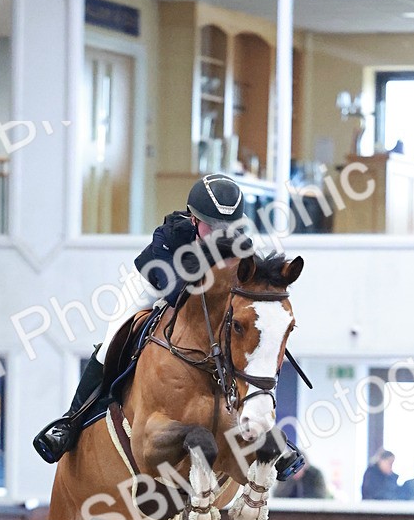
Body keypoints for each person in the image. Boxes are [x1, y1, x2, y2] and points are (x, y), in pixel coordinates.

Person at [32, 174, 303, 481]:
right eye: (211, 226)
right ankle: (70, 422)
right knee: (110, 344)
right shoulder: (170, 236)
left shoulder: (242, 247)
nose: (219, 234)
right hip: (155, 289)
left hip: (201, 301)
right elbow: (174, 290)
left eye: (227, 228)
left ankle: (265, 429)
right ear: (194, 219)